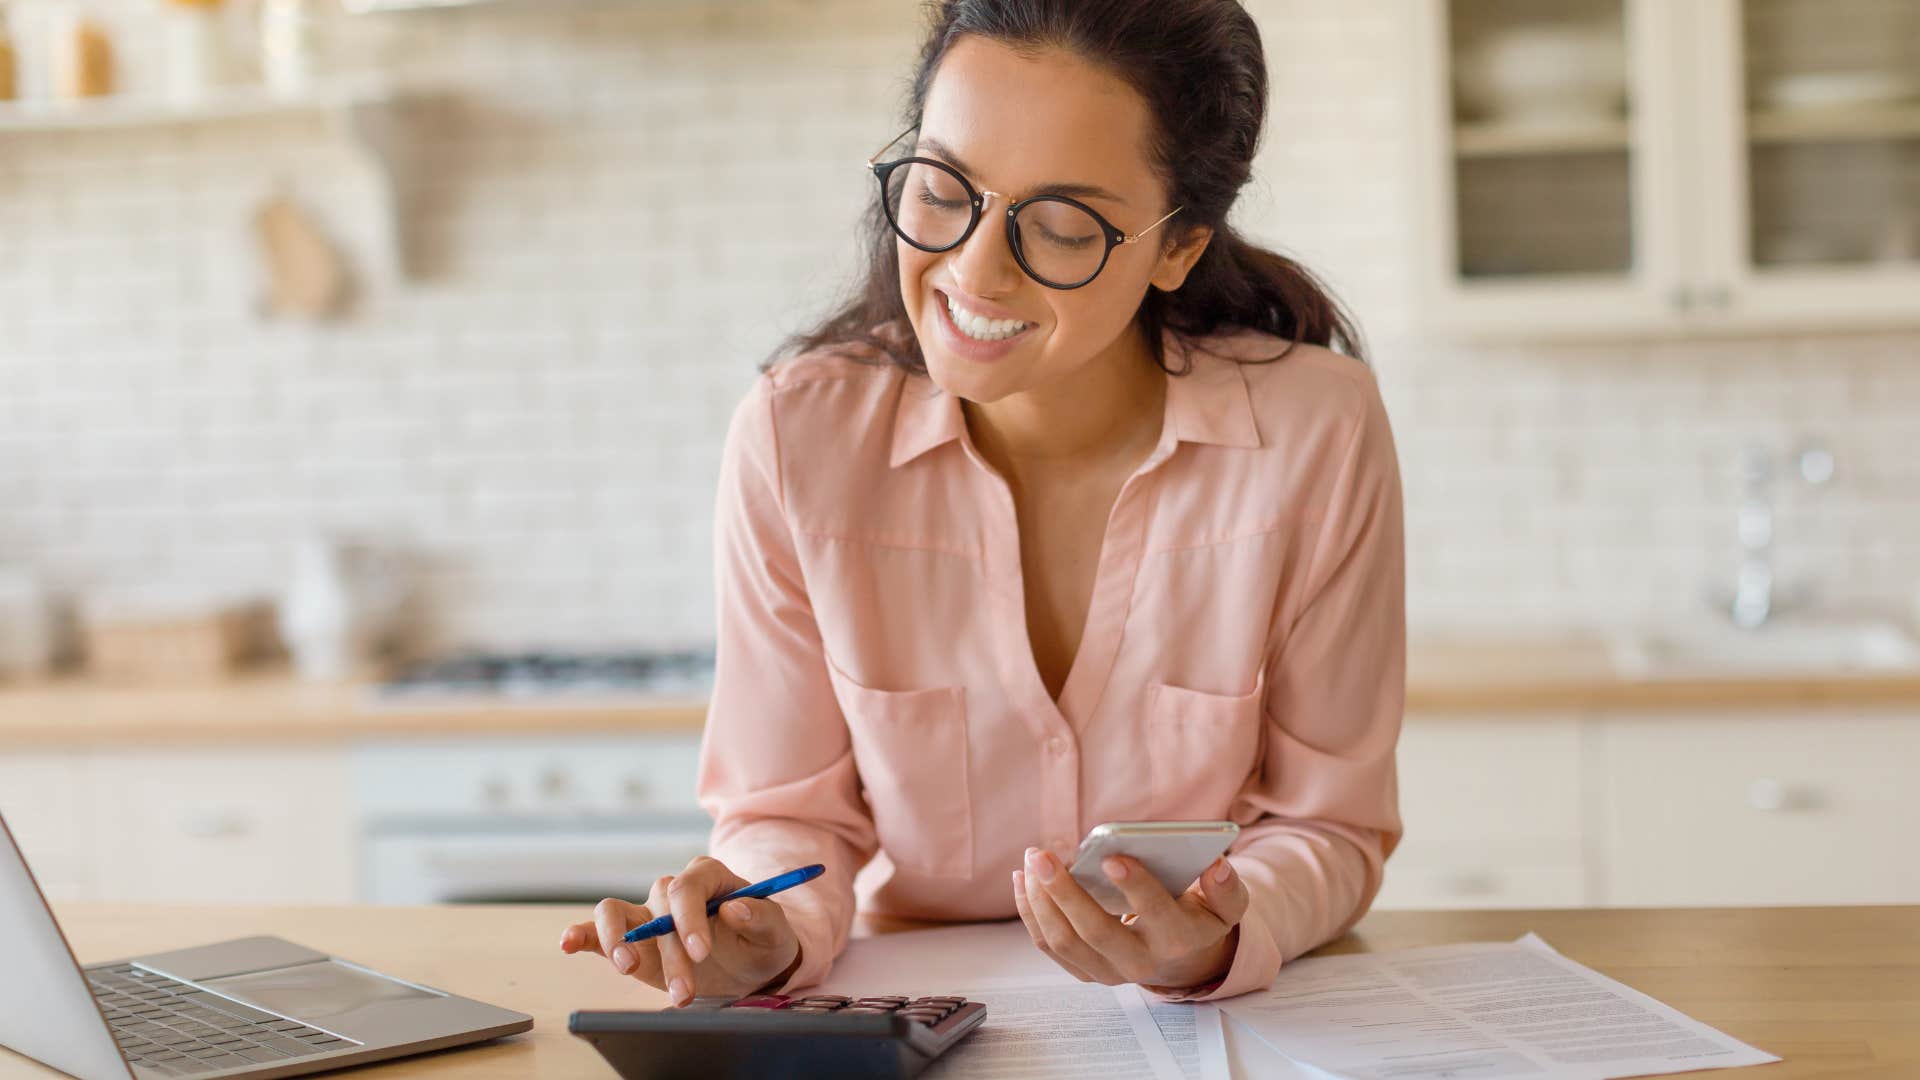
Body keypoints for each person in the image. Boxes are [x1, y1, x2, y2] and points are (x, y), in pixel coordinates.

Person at [560, 0, 1404, 1005]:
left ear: (1178, 247)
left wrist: (1214, 940)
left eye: (1061, 226)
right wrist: (763, 936)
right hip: (922, 1012)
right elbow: (789, 815)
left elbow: (1329, 823)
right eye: (942, 189)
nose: (974, 271)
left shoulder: (1316, 430)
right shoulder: (798, 437)